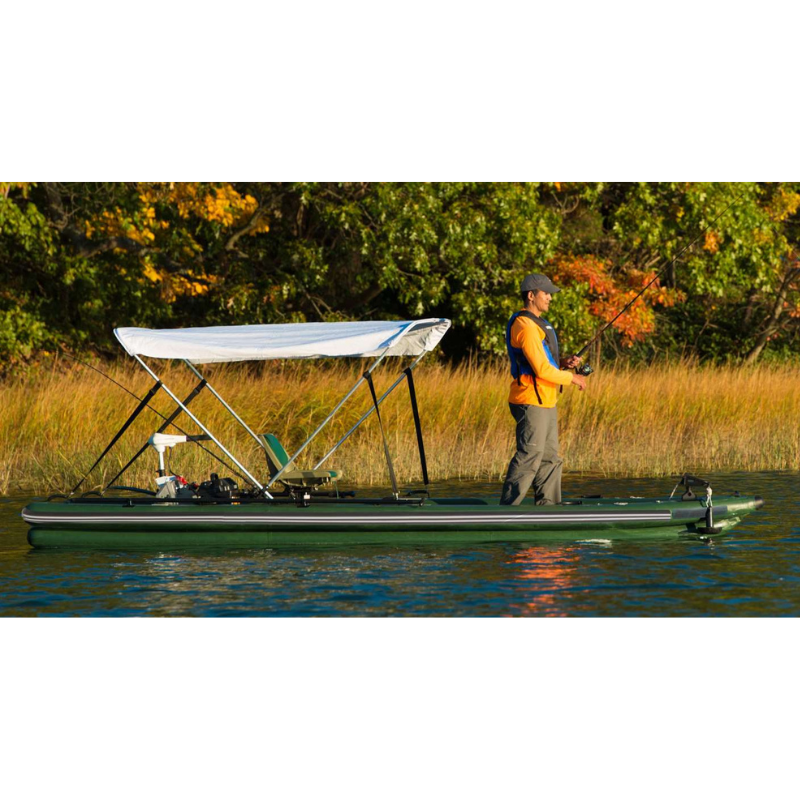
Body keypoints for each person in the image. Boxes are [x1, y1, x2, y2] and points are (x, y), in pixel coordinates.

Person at [500, 273, 587, 506]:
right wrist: (572, 378)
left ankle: (549, 508)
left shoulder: (537, 325)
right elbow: (540, 370)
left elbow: (544, 364)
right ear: (531, 296)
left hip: (546, 400)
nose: (549, 297)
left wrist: (563, 363)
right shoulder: (526, 327)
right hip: (530, 400)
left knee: (550, 458)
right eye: (545, 293)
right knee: (530, 456)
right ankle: (507, 509)